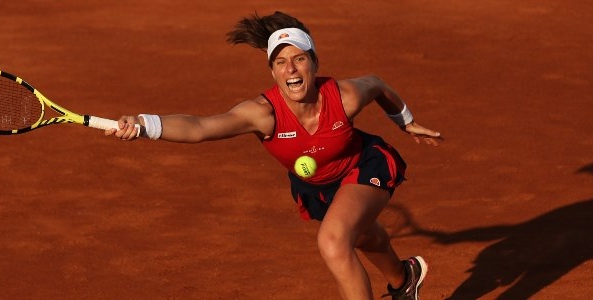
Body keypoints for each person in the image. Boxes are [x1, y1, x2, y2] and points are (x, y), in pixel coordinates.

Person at [105, 11, 443, 300]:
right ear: (272, 72)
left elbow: (379, 85)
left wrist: (407, 122)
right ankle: (404, 280)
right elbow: (200, 127)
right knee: (364, 235)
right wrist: (143, 124)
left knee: (333, 241)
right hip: (317, 186)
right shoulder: (262, 113)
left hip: (363, 164)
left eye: (299, 59)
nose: (291, 70)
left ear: (314, 63)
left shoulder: (346, 95)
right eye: (281, 63)